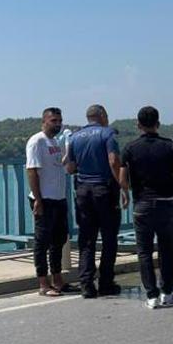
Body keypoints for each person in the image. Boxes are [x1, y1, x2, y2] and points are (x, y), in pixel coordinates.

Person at [120, 106, 173, 309]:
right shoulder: (169, 146)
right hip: (166, 204)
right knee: (166, 250)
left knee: (144, 252)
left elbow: (123, 180)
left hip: (142, 205)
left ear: (138, 125)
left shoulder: (130, 148)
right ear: (158, 124)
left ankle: (151, 295)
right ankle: (167, 292)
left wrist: (126, 194)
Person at [66, 105, 122, 299]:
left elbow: (70, 167)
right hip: (104, 190)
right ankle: (106, 283)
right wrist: (122, 186)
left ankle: (86, 284)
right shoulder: (108, 134)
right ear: (102, 116)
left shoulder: (74, 137)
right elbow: (114, 161)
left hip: (82, 191)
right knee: (109, 238)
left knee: (86, 239)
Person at [26, 107, 69, 297]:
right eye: (53, 121)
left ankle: (57, 280)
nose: (57, 124)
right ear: (44, 121)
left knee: (58, 241)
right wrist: (38, 199)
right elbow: (32, 171)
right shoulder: (37, 141)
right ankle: (43, 283)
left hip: (59, 198)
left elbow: (62, 165)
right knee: (42, 242)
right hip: (44, 199)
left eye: (59, 120)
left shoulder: (56, 142)